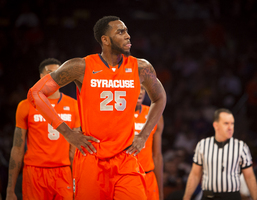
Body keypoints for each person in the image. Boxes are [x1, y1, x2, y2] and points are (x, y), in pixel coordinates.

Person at [27, 16, 166, 200]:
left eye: (126, 31)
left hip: (126, 157)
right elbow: (35, 93)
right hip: (91, 157)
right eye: (120, 32)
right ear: (105, 39)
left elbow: (160, 97)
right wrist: (68, 133)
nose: (128, 36)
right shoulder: (81, 66)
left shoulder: (141, 67)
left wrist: (143, 136)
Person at [6, 58, 80, 200]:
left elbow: (74, 152)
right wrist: (10, 188)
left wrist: (78, 182)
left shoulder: (74, 105)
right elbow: (17, 148)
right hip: (34, 172)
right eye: (50, 73)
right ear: (41, 76)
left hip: (63, 172)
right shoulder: (25, 105)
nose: (55, 77)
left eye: (59, 73)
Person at [183, 108, 257, 200]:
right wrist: (186, 197)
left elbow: (249, 176)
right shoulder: (203, 145)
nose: (230, 127)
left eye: (232, 123)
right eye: (226, 123)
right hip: (209, 195)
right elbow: (195, 174)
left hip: (231, 196)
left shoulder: (241, 146)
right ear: (216, 125)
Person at [134, 85, 164, 200]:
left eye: (142, 88)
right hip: (127, 177)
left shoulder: (155, 115)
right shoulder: (118, 115)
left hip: (149, 177)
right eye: (136, 87)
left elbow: (157, 156)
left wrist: (160, 192)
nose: (140, 92)